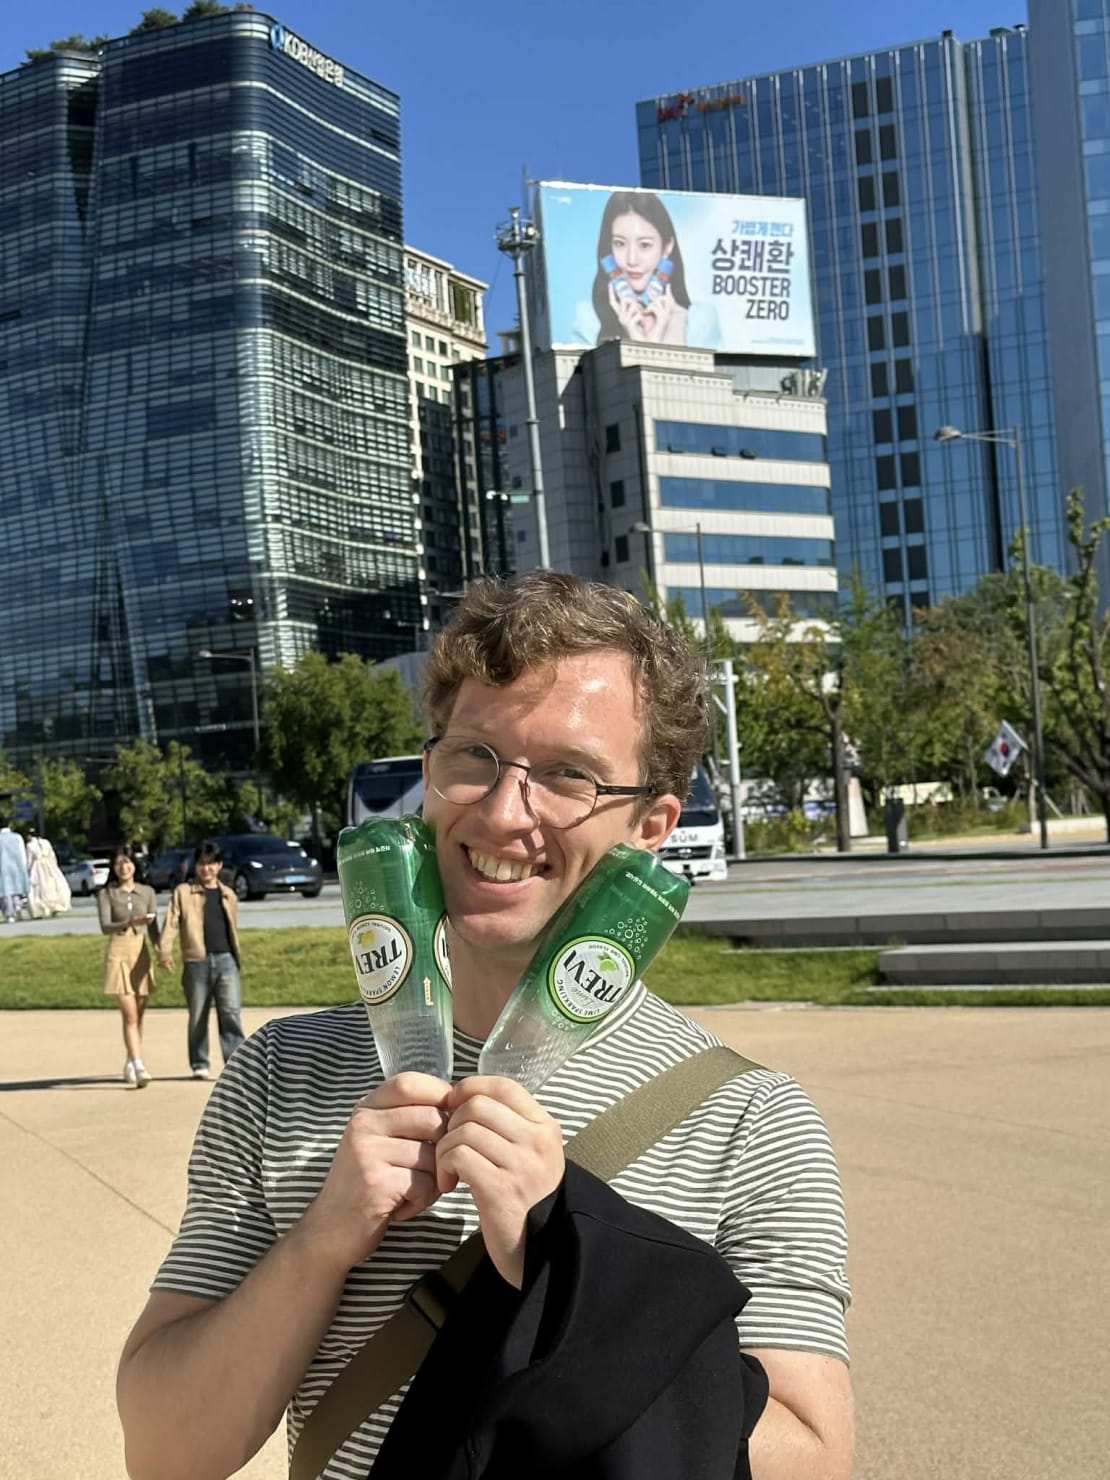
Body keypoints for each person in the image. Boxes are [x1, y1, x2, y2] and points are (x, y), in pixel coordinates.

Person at [118, 573, 852, 1480]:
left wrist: (572, 1274)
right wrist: (319, 1245)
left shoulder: (750, 1121)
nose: (504, 813)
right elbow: (163, 1451)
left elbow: (814, 1458)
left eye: (568, 776)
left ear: (652, 824)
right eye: (475, 756)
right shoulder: (282, 1074)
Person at [574, 190, 720, 350]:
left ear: (667, 246)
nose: (632, 260)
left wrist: (657, 335)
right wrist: (634, 336)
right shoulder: (588, 319)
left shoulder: (701, 320)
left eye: (644, 245)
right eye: (620, 244)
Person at [157, 840, 245, 1080]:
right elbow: (171, 924)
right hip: (197, 961)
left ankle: (236, 1066)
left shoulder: (229, 894)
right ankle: (199, 1062)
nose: (206, 869)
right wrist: (164, 952)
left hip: (226, 959)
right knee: (198, 1015)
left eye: (211, 864)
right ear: (195, 866)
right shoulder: (183, 892)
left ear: (219, 865)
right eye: (202, 864)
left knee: (231, 1013)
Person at [98, 845, 160, 1088]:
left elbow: (154, 927)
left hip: (140, 952)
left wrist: (162, 952)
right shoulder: (107, 894)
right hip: (118, 950)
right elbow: (105, 926)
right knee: (130, 1014)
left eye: (128, 862)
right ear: (114, 868)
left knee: (139, 1014)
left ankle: (130, 1060)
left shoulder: (147, 892)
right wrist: (129, 921)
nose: (124, 867)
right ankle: (139, 1063)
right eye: (119, 863)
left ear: (135, 865)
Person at [26, 826, 72, 919]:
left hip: (37, 867)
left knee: (38, 889)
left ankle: (39, 910)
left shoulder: (30, 845)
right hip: (49, 865)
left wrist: (28, 871)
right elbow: (52, 856)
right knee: (53, 885)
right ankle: (55, 906)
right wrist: (54, 867)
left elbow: (29, 860)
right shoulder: (46, 842)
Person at [0, 815, 30, 923]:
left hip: (2, 869)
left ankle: (9, 913)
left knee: (4, 891)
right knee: (16, 889)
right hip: (16, 866)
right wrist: (25, 867)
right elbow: (23, 854)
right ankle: (17, 907)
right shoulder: (17, 837)